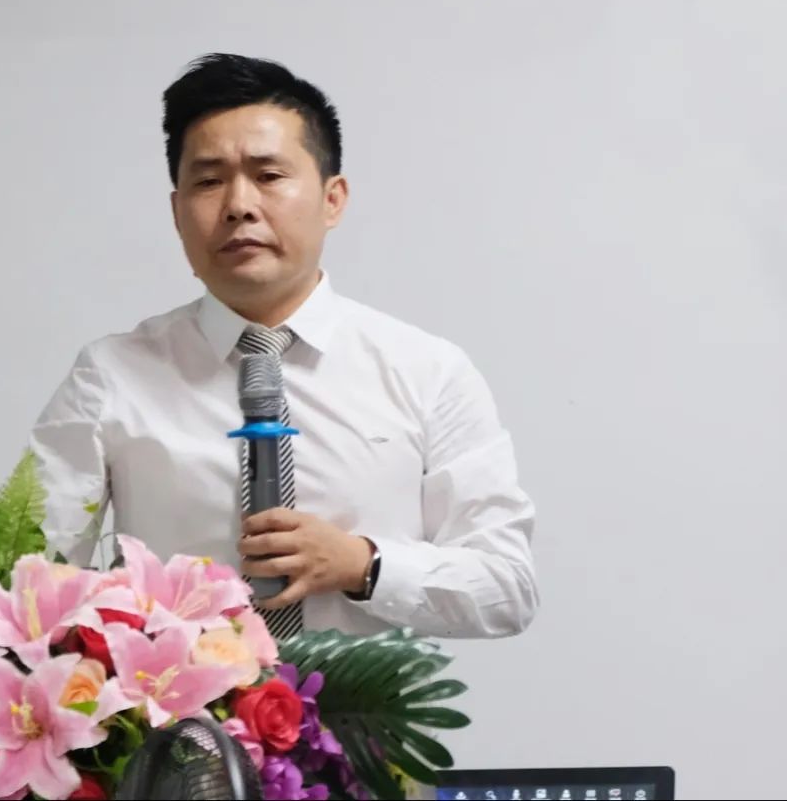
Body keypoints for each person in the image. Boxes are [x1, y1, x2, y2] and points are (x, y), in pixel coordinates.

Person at [29, 53, 537, 640]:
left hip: (364, 702)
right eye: (209, 181)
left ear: (332, 199)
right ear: (176, 212)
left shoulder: (427, 371)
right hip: (173, 701)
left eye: (269, 176)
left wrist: (364, 565)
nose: (239, 205)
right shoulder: (111, 375)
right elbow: (33, 581)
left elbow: (507, 588)